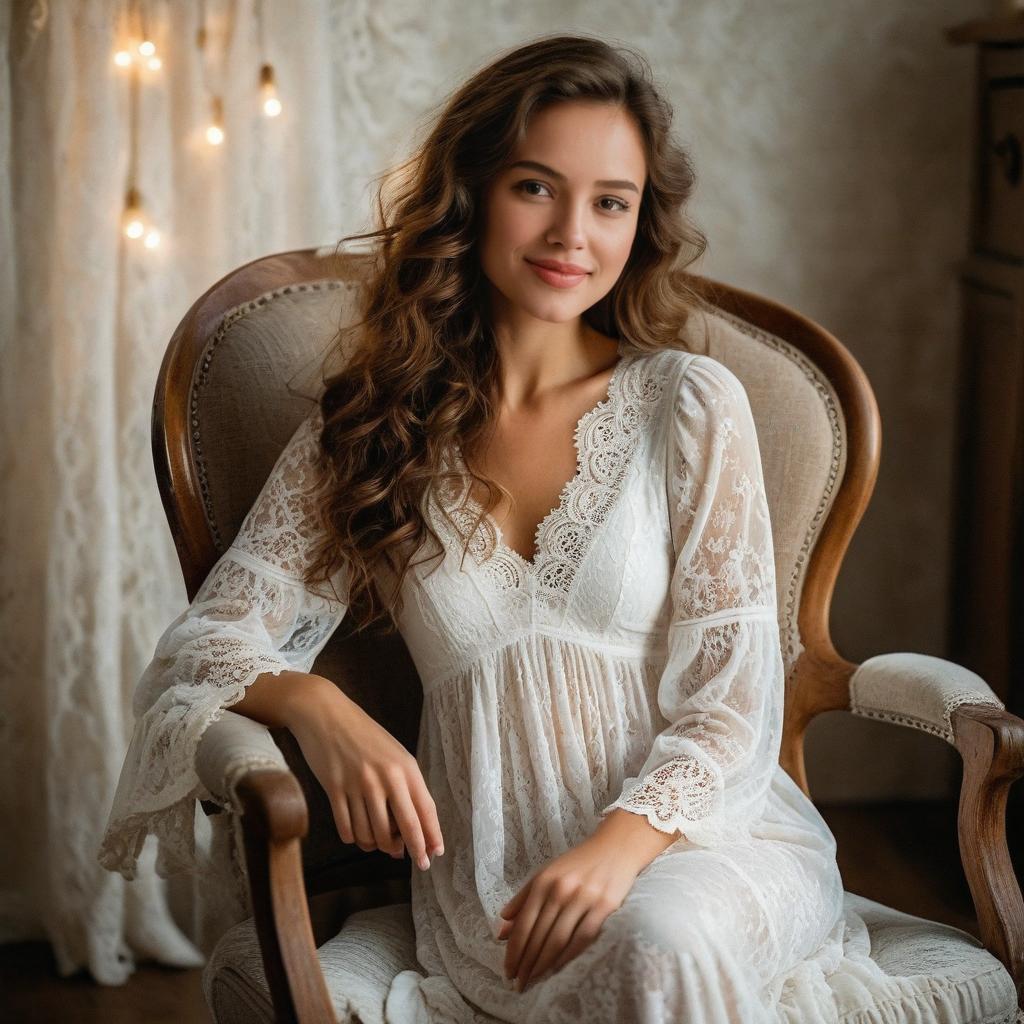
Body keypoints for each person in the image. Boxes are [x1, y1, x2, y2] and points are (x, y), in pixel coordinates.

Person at [99, 33, 850, 1023]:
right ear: (472, 193)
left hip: (707, 849)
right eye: (536, 187)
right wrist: (318, 709)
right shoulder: (368, 430)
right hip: (492, 889)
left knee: (656, 944)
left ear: (640, 224)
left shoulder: (689, 403)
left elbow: (730, 702)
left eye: (610, 202)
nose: (571, 232)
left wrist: (616, 850)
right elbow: (199, 648)